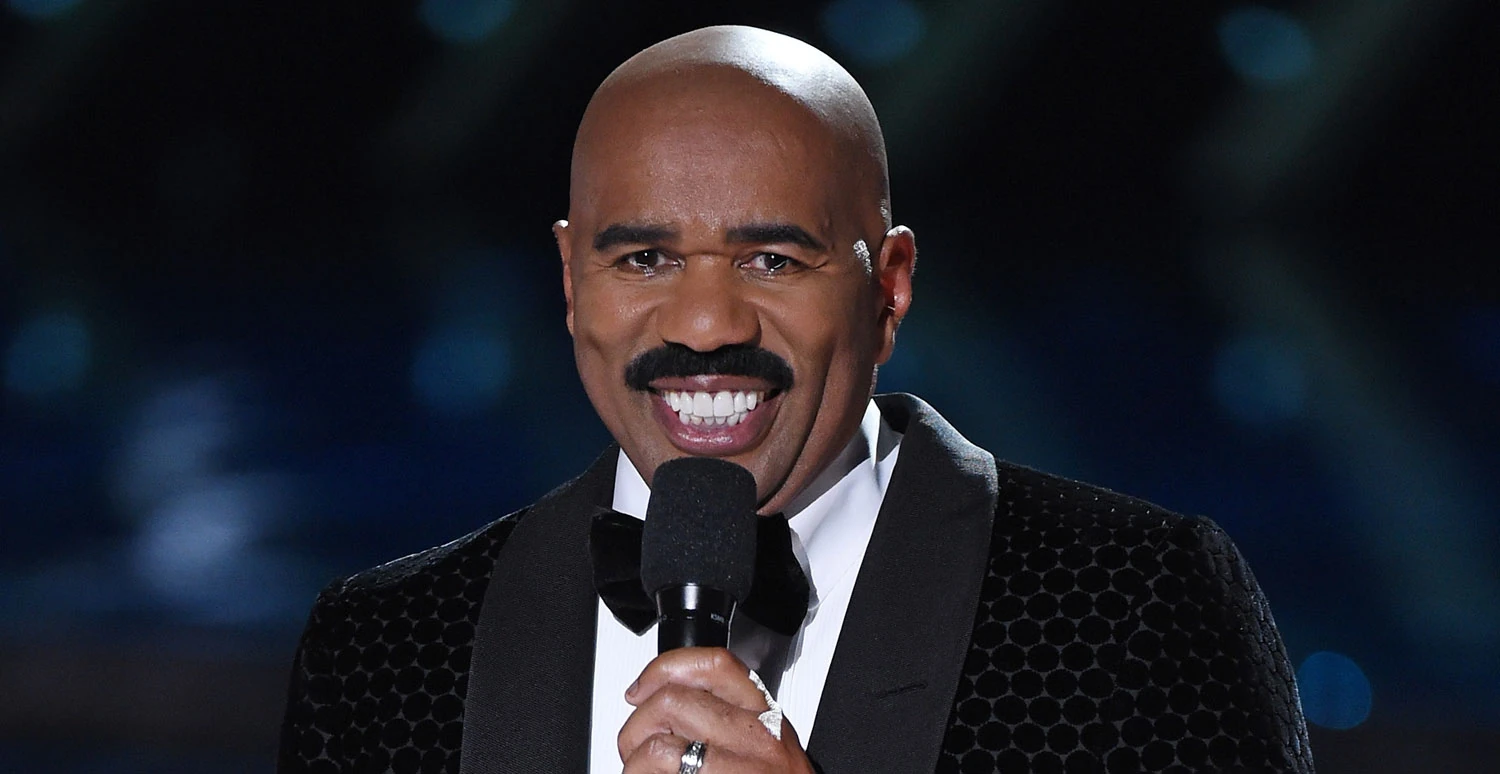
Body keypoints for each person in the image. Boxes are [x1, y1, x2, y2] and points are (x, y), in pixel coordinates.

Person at [278, 25, 1314, 774]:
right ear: (569, 282)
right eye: (643, 259)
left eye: (771, 260)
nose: (703, 325)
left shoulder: (1132, 608)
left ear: (889, 288)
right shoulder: (387, 648)